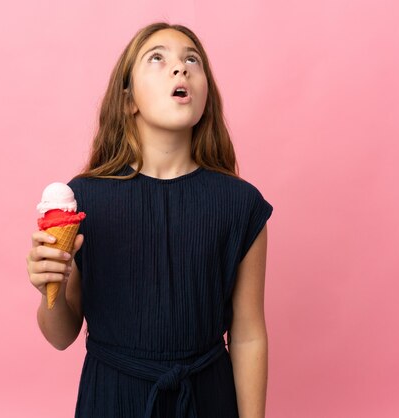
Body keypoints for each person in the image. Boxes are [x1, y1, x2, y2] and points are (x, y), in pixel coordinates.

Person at [26, 22, 273, 418]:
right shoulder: (84, 199)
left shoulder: (241, 205)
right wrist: (48, 289)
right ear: (128, 101)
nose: (181, 68)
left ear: (205, 96)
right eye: (157, 58)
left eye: (192, 59)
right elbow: (61, 335)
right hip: (111, 399)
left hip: (207, 399)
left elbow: (247, 335)